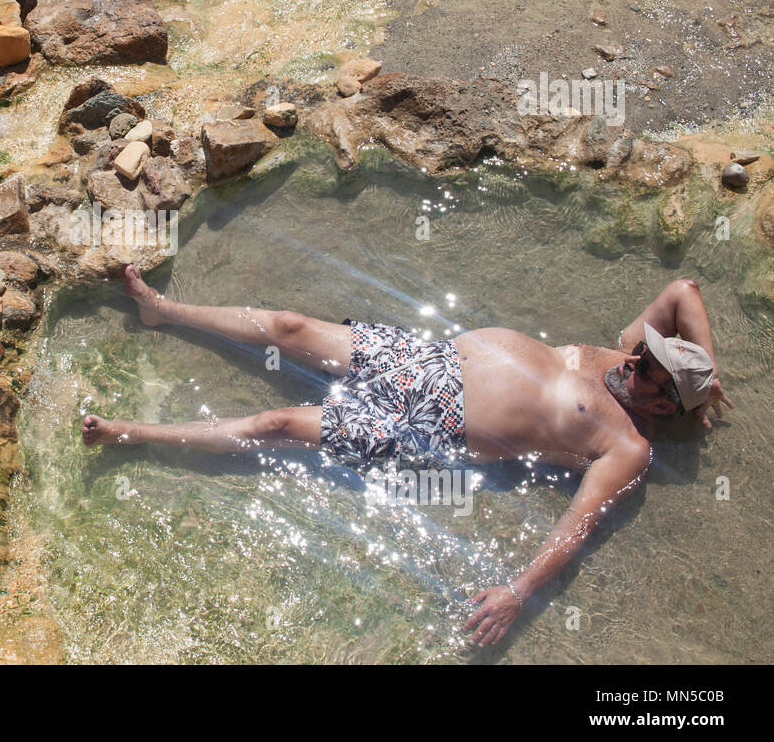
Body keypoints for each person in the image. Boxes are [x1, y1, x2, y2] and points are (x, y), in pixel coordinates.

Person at [82, 265, 734, 647]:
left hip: (431, 424)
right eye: (647, 351)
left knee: (278, 423)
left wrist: (517, 592)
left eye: (651, 369)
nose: (635, 358)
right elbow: (684, 290)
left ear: (659, 406)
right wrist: (706, 382)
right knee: (287, 326)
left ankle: (129, 433)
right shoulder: (619, 355)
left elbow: (578, 527)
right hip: (429, 357)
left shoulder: (628, 445)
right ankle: (163, 313)